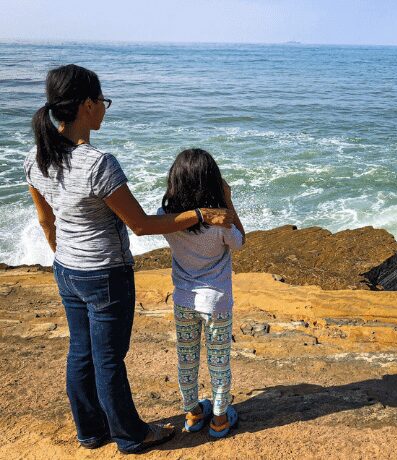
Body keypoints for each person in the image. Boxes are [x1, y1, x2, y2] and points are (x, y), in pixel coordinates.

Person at [25, 64, 234, 454]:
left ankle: (90, 431)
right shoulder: (98, 163)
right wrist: (201, 215)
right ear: (87, 105)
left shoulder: (37, 157)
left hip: (67, 269)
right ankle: (131, 435)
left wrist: (65, 256)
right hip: (105, 273)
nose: (104, 109)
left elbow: (45, 219)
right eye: (102, 101)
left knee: (81, 351)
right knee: (109, 360)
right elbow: (139, 225)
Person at [157, 148, 245, 439]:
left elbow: (162, 220)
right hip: (216, 303)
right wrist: (228, 202)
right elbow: (240, 242)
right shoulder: (219, 225)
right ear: (213, 182)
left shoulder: (166, 218)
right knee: (218, 361)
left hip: (184, 300)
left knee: (187, 358)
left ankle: (193, 413)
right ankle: (219, 418)